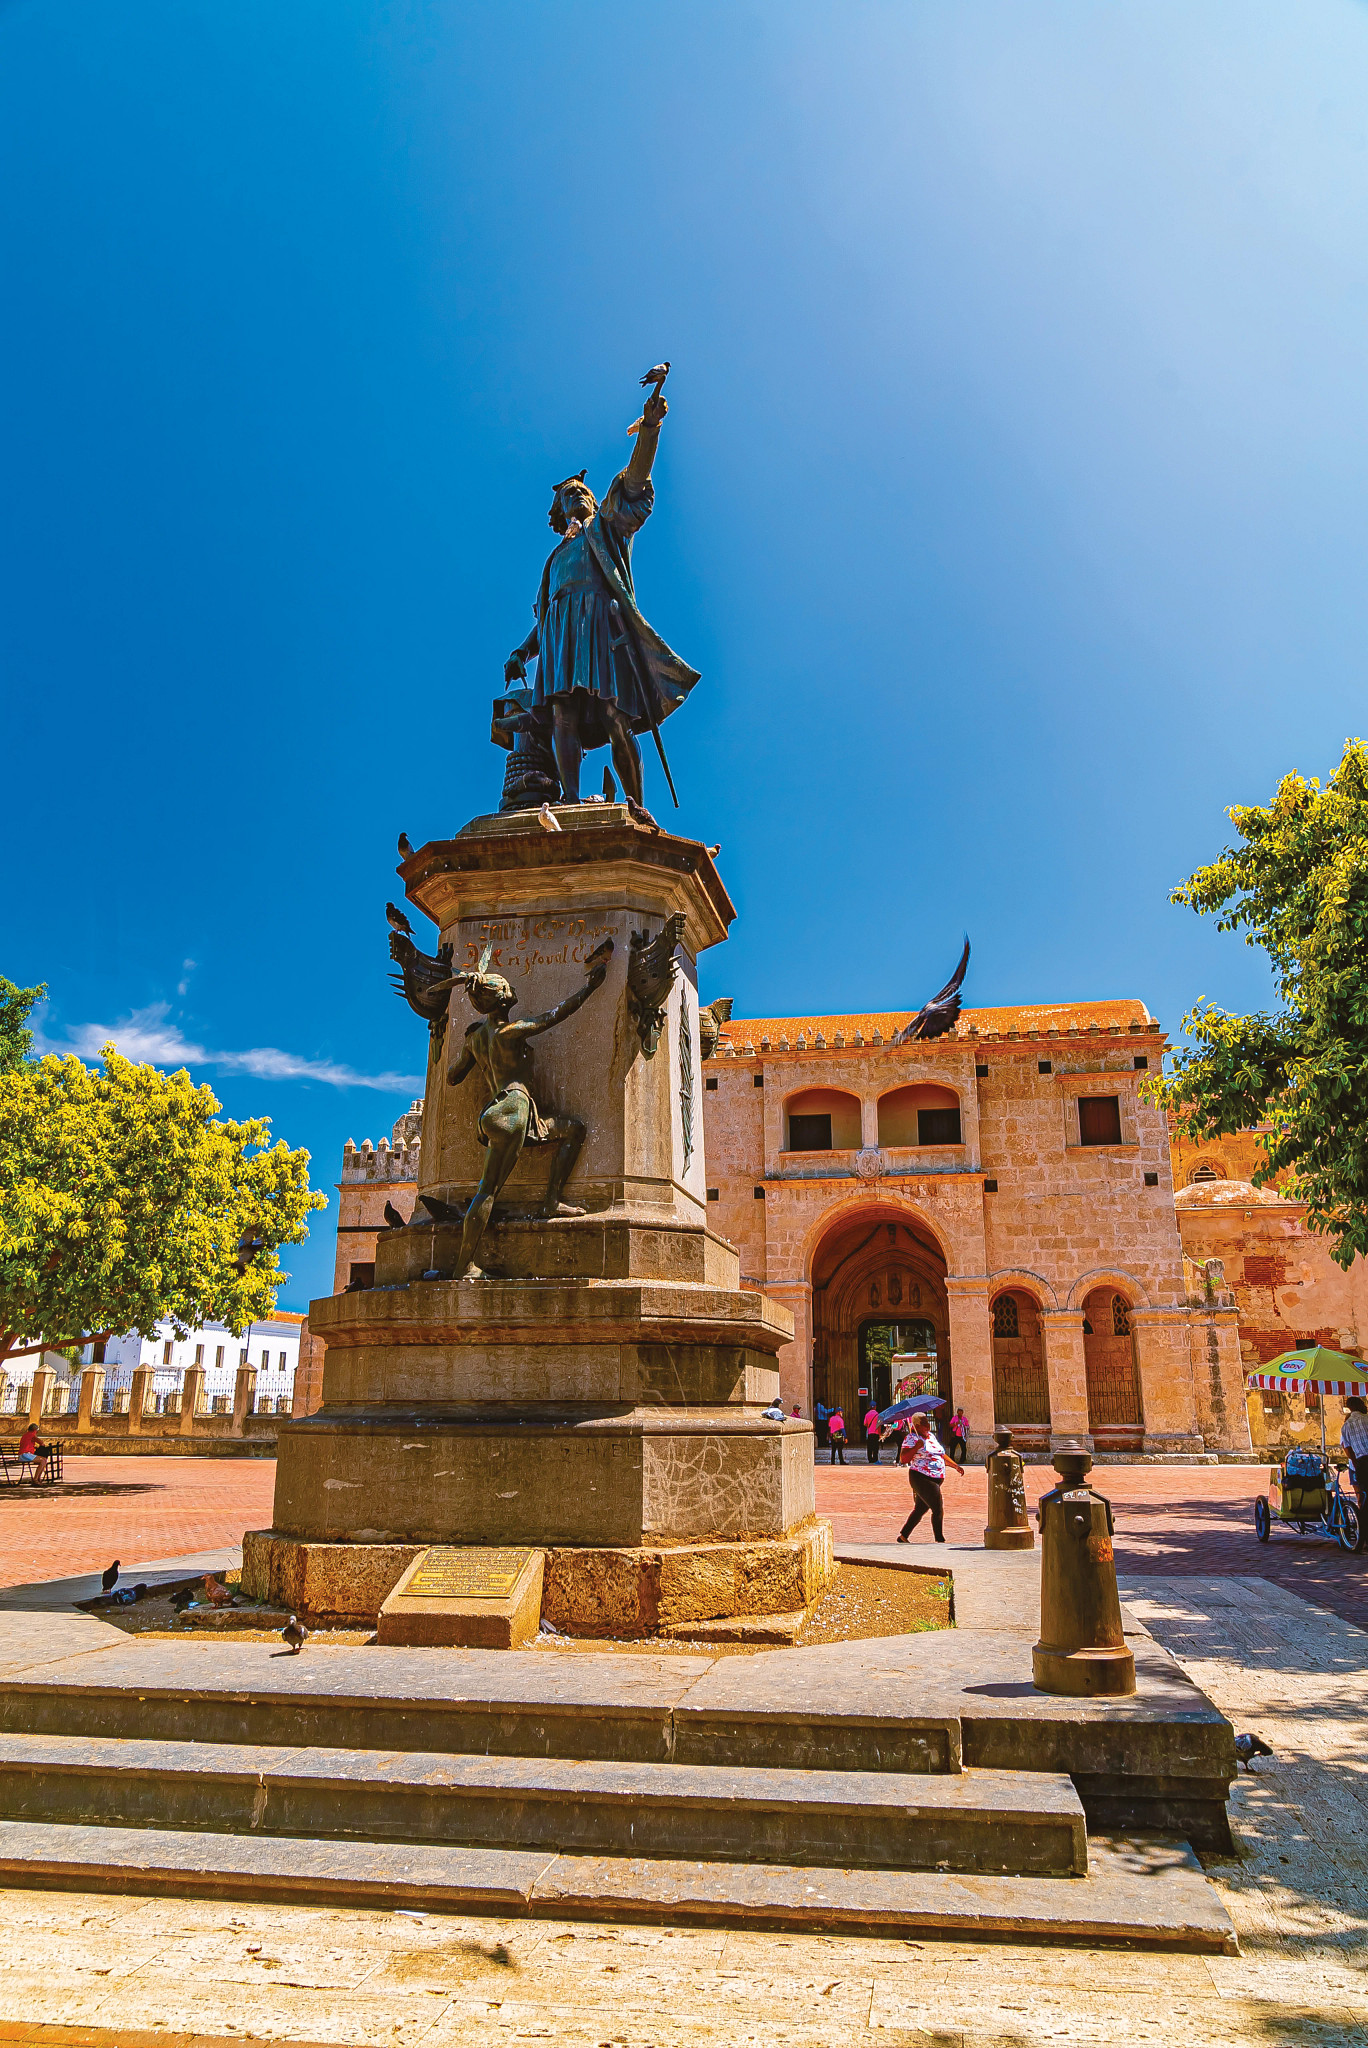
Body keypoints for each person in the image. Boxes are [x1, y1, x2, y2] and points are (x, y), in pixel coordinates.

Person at [897, 1412, 964, 1542]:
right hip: (921, 1477)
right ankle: (939, 1539)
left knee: (921, 1508)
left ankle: (903, 1535)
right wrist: (916, 1447)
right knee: (937, 1508)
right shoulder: (911, 1438)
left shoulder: (931, 1436)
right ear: (916, 1425)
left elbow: (940, 1455)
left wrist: (955, 1466)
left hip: (935, 1478)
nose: (927, 1425)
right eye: (924, 1423)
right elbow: (903, 1458)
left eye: (927, 1422)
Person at [1341, 1396, 1368, 1542]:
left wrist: (1356, 1463)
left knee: (1364, 1499)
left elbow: (1348, 1448)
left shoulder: (1346, 1426)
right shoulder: (1367, 1419)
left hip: (1360, 1463)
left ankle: (1363, 1534)